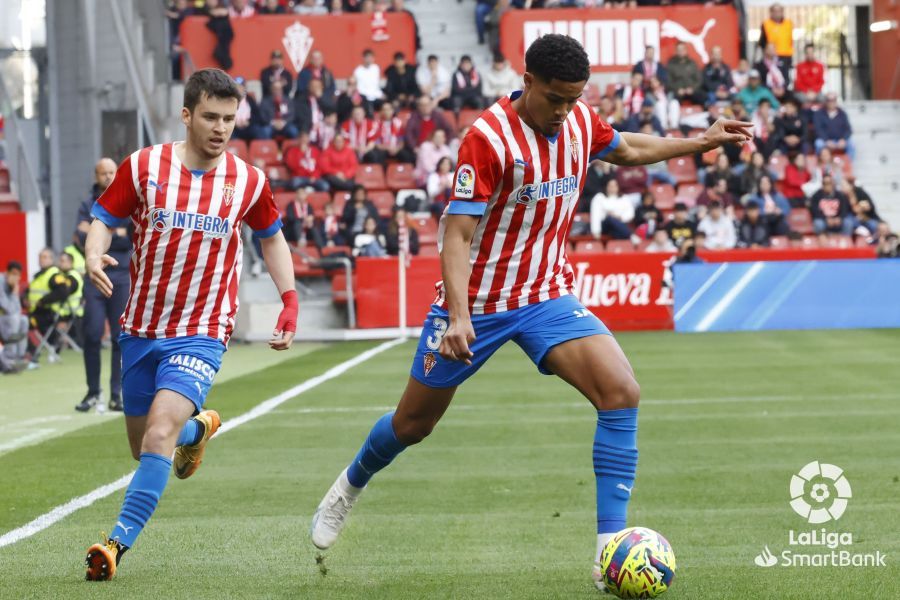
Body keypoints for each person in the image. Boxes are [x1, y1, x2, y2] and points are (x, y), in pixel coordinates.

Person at [308, 34, 752, 592]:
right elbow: (456, 234)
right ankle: (348, 486)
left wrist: (700, 142)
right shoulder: (488, 139)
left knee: (621, 392)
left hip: (544, 294)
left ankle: (607, 554)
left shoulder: (578, 121)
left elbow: (628, 149)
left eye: (575, 99)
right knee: (413, 425)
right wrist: (462, 315)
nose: (565, 111)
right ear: (528, 81)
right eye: (557, 99)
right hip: (479, 304)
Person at [82, 69, 298, 581]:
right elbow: (104, 217)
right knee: (144, 448)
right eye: (211, 117)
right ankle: (198, 429)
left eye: (229, 119)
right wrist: (93, 254)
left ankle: (115, 545)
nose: (221, 128)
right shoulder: (144, 166)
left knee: (159, 434)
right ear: (187, 115)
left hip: (202, 330)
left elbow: (271, 237)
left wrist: (288, 300)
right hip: (141, 329)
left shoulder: (248, 180)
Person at [73, 158, 133, 412]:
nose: (108, 177)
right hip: (95, 275)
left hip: (121, 276)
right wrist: (115, 232)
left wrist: (101, 231)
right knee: (92, 334)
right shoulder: (88, 204)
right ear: (96, 176)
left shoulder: (129, 202)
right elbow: (80, 237)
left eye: (112, 172)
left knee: (121, 338)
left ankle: (116, 394)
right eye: (103, 173)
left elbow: (129, 237)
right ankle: (93, 392)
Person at [0, 261, 28, 373]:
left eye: (17, 275)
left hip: (5, 319)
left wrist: (14, 293)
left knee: (23, 320)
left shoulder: (14, 285)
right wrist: (13, 293)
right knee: (13, 318)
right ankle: (8, 361)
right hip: (4, 318)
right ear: (7, 273)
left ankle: (18, 357)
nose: (15, 277)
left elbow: (17, 309)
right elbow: (6, 307)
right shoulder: (0, 281)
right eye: (13, 274)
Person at [813, 93, 855, 160]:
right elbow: (818, 129)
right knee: (818, 144)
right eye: (829, 100)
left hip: (840, 140)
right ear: (826, 101)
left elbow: (848, 129)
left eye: (833, 100)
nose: (831, 102)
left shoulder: (842, 113)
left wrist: (843, 139)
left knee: (851, 145)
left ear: (836, 101)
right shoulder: (819, 113)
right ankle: (820, 167)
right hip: (825, 140)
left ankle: (847, 166)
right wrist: (826, 140)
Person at [758, 4, 794, 74]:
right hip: (772, 56)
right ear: (771, 12)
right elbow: (762, 42)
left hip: (786, 55)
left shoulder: (789, 23)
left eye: (779, 11)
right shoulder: (766, 24)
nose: (777, 13)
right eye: (774, 11)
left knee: (785, 76)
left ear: (782, 12)